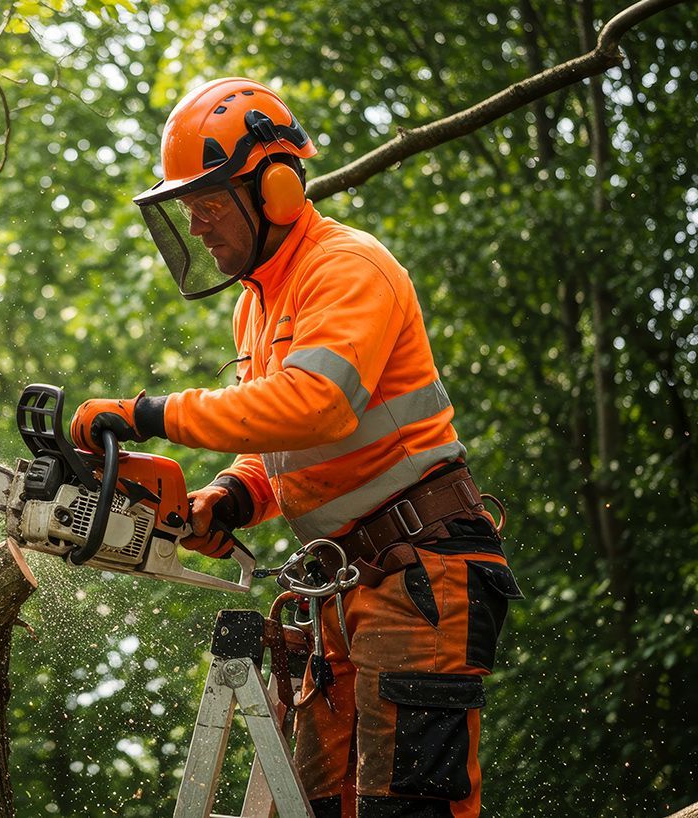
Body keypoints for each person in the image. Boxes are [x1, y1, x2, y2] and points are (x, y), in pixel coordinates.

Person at [67, 78, 522, 818]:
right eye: (190, 211)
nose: (201, 226)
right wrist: (232, 497)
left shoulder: (347, 268)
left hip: (419, 571)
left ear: (276, 188)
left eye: (209, 205)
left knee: (405, 809)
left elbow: (319, 404)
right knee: (313, 805)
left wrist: (150, 414)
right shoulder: (258, 301)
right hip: (343, 588)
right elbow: (276, 440)